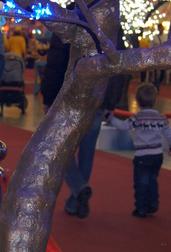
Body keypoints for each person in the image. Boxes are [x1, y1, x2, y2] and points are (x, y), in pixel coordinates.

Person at [39, 29, 124, 218]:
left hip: (70, 96)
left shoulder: (69, 20)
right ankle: (77, 198)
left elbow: (55, 63)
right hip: (98, 97)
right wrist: (112, 101)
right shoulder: (111, 22)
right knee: (87, 150)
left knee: (61, 148)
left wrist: (49, 97)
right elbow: (118, 66)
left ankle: (79, 189)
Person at [105, 83, 171, 217]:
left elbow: (123, 127)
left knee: (141, 182)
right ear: (155, 100)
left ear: (138, 102)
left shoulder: (137, 118)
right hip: (157, 155)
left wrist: (110, 118)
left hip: (142, 156)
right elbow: (169, 134)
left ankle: (141, 208)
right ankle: (153, 203)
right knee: (153, 180)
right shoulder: (162, 118)